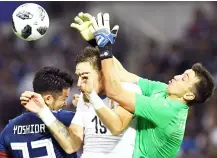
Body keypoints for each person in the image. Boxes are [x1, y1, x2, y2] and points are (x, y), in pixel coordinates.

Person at [82, 12, 215, 158]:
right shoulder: (163, 90)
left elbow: (114, 91)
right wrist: (97, 44)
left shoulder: (170, 113)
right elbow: (124, 75)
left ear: (189, 95)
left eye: (184, 79)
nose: (177, 77)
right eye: (182, 74)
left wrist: (105, 48)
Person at [20, 46, 142, 158]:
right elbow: (71, 146)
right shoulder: (85, 100)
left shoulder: (128, 90)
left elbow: (116, 127)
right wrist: (43, 112)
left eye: (85, 77)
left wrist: (92, 98)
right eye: (78, 76)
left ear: (102, 75)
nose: (79, 83)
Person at [0, 66, 77, 158]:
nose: (65, 103)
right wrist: (84, 108)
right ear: (48, 99)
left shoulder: (8, 129)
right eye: (64, 98)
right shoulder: (66, 119)